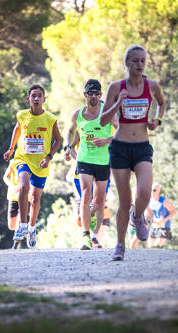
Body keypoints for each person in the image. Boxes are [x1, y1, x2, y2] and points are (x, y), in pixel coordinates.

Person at [101, 45, 166, 261]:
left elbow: (162, 104)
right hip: (120, 148)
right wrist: (118, 103)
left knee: (145, 191)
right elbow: (102, 120)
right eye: (135, 61)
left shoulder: (152, 85)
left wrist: (157, 120)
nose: (140, 64)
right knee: (125, 199)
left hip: (141, 147)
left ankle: (137, 217)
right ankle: (120, 245)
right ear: (127, 63)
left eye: (143, 61)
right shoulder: (115, 87)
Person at [3, 84, 62, 248]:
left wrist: (49, 157)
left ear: (44, 99)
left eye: (39, 96)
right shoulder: (22, 115)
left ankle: (32, 227)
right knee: (23, 185)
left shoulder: (50, 119)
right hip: (23, 158)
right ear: (28, 99)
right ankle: (22, 225)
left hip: (41, 163)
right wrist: (11, 149)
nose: (36, 98)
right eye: (33, 96)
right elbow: (17, 130)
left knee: (35, 198)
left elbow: (59, 140)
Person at [64, 79, 117, 250]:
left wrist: (107, 140)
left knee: (99, 201)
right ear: (85, 94)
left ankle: (95, 234)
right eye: (90, 93)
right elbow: (70, 131)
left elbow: (121, 130)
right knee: (86, 196)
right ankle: (86, 237)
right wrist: (68, 147)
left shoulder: (108, 112)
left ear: (101, 95)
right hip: (84, 159)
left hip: (103, 161)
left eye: (96, 93)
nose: (93, 96)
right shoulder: (77, 114)